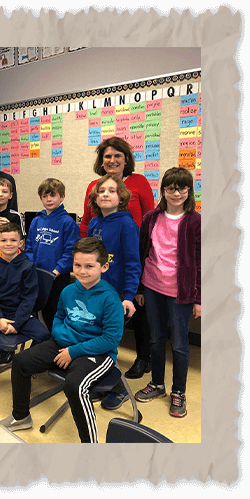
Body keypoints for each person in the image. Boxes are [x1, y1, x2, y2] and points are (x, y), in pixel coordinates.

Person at [0, 237, 125, 443]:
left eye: (89, 266)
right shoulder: (68, 290)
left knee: (75, 386)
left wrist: (73, 352)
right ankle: (21, 417)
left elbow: (110, 340)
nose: (82, 271)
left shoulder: (110, 298)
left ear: (104, 267)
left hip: (98, 352)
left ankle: (90, 445)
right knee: (21, 361)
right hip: (64, 343)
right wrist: (59, 335)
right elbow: (58, 316)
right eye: (77, 265)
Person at [80, 136, 155, 380]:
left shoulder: (139, 182)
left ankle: (143, 358)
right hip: (102, 270)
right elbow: (86, 222)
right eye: (107, 156)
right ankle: (97, 367)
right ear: (101, 161)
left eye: (117, 156)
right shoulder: (95, 186)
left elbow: (149, 220)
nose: (112, 160)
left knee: (136, 309)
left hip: (134, 256)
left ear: (126, 160)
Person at [134, 167, 201, 418]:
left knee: (181, 344)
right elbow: (143, 253)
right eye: (171, 188)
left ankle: (179, 392)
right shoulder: (151, 217)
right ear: (163, 190)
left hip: (180, 292)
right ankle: (158, 384)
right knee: (155, 338)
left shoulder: (195, 221)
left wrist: (199, 298)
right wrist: (140, 288)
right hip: (152, 286)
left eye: (182, 188)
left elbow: (199, 261)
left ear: (188, 191)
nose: (176, 193)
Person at [0, 222, 50, 394]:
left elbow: (29, 299)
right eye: (4, 240)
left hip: (21, 314)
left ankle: (28, 365)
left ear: (21, 243)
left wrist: (17, 324)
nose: (8, 244)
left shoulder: (28, 266)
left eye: (13, 240)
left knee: (44, 336)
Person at [86, 174, 142, 411]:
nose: (106, 194)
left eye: (112, 190)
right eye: (101, 191)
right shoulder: (94, 223)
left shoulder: (127, 224)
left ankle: (119, 389)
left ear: (121, 197)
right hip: (95, 289)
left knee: (109, 342)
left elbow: (132, 262)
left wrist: (128, 296)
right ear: (95, 198)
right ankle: (103, 381)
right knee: (95, 336)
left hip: (116, 293)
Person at [25, 178, 80, 331]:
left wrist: (57, 270)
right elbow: (29, 246)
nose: (48, 199)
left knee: (55, 312)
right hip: (37, 274)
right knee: (39, 311)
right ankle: (44, 341)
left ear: (62, 196)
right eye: (44, 196)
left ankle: (56, 342)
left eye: (53, 195)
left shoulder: (68, 222)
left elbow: (71, 252)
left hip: (57, 276)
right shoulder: (36, 220)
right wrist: (31, 265)